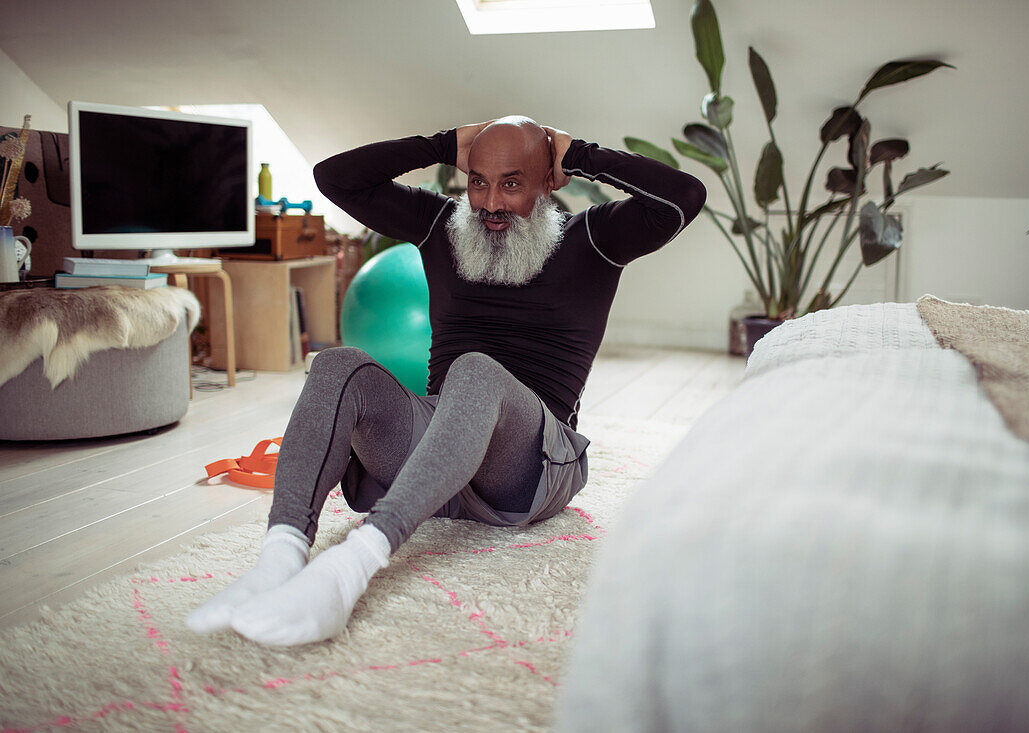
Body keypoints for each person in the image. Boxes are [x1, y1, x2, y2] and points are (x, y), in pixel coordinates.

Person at [186, 116, 706, 646]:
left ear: (548, 181)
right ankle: (280, 557)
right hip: (437, 455)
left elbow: (684, 196)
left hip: (532, 465)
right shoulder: (441, 225)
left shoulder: (595, 237)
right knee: (336, 364)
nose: (490, 203)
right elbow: (333, 177)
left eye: (512, 183)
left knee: (475, 370)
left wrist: (580, 155)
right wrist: (440, 145)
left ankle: (352, 566)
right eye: (478, 181)